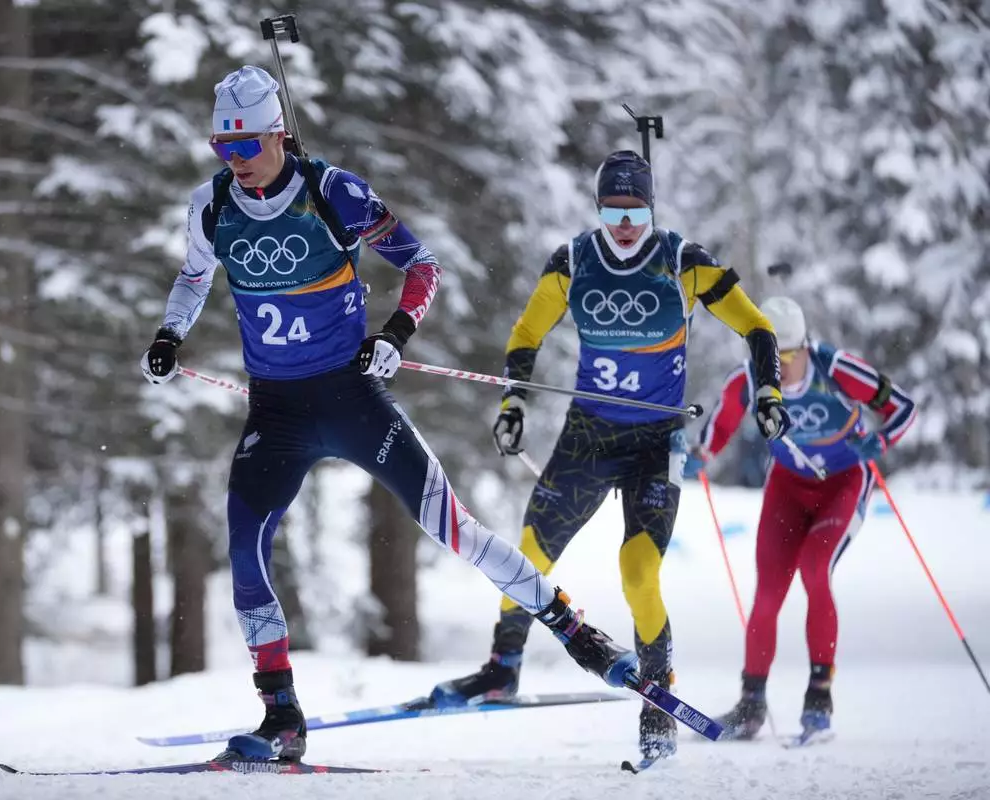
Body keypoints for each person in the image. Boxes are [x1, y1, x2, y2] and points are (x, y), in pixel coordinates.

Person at [140, 65, 639, 763]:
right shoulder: (211, 206)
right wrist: (169, 336)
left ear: (277, 134)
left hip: (351, 400)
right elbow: (193, 278)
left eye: (246, 145)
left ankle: (577, 633)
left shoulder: (332, 191)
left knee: (455, 529)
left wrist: (395, 335)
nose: (236, 161)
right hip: (275, 413)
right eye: (223, 147)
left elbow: (422, 264)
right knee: (246, 553)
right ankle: (281, 716)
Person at [428, 149, 789, 763]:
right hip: (588, 436)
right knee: (530, 552)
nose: (624, 223)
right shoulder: (573, 262)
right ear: (597, 209)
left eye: (636, 211)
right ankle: (502, 666)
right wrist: (513, 403)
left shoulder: (683, 262)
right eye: (613, 210)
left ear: (652, 209)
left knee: (638, 572)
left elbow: (757, 327)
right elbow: (527, 332)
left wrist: (770, 392)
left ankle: (657, 699)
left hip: (656, 442)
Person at [685, 296, 917, 741]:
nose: (780, 369)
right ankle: (751, 705)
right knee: (768, 591)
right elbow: (720, 428)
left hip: (843, 483)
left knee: (814, 568)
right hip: (788, 487)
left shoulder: (836, 368)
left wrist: (882, 441)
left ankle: (819, 698)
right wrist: (700, 454)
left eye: (789, 356)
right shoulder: (748, 379)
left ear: (805, 346)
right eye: (771, 359)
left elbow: (903, 407)